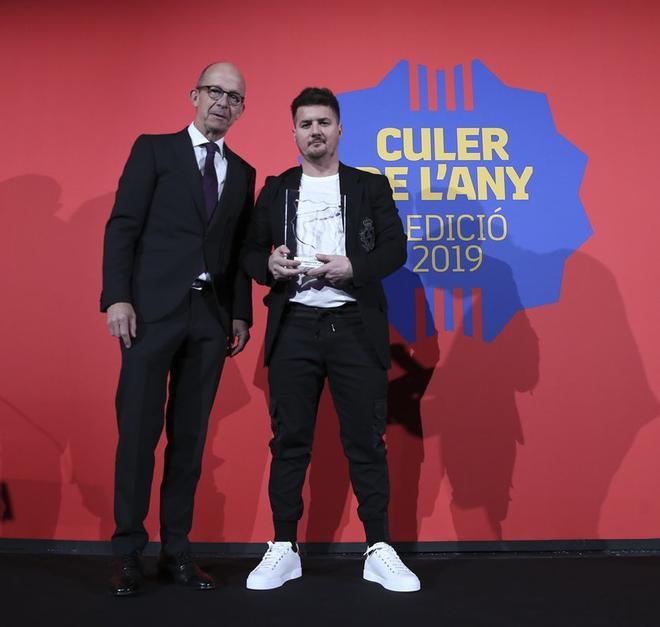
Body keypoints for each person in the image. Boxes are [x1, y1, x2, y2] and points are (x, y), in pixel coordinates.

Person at [241, 87, 420, 592]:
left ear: (340, 129)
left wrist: (354, 266)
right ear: (293, 132)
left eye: (323, 122)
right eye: (305, 124)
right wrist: (269, 266)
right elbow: (252, 253)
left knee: (365, 441)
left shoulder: (369, 186)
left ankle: (378, 548)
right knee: (289, 441)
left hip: (354, 331)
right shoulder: (276, 190)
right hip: (294, 327)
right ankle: (283, 547)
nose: (314, 131)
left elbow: (394, 249)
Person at [101, 62, 255, 596]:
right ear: (193, 94)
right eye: (215, 91)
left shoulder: (243, 172)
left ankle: (177, 552)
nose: (223, 102)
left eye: (234, 97)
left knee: (188, 442)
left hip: (209, 321)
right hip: (150, 315)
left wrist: (240, 313)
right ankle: (126, 553)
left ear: (241, 109)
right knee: (138, 438)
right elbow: (123, 225)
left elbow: (236, 251)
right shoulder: (154, 150)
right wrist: (117, 297)